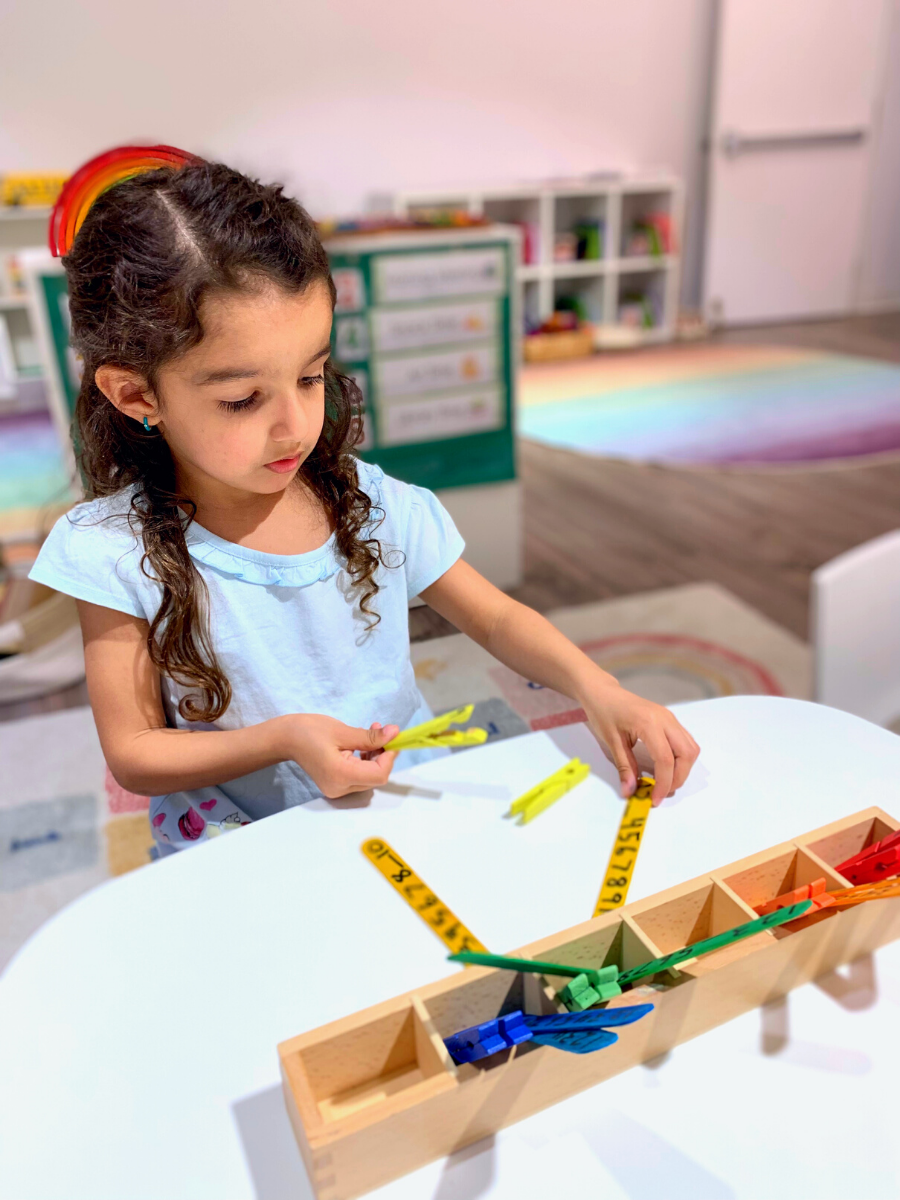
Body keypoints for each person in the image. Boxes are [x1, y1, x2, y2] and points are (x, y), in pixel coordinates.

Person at [30, 150, 700, 854]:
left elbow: (498, 618)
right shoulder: (111, 552)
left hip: (397, 807)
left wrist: (600, 689)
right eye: (241, 399)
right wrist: (285, 738)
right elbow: (134, 750)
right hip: (242, 847)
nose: (294, 424)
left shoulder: (369, 502)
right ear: (137, 396)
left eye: (312, 376)